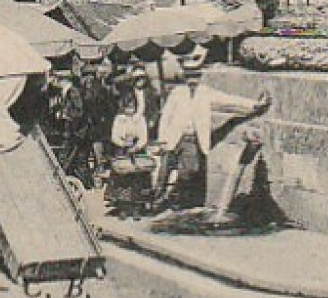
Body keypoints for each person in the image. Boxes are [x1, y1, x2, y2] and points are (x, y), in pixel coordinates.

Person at [154, 56, 268, 210]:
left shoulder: (205, 93)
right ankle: (156, 200)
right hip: (174, 137)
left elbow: (228, 101)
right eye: (189, 76)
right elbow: (166, 116)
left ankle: (178, 199)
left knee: (189, 171)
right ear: (184, 77)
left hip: (192, 139)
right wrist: (162, 139)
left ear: (200, 77)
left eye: (195, 76)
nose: (192, 81)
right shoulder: (177, 93)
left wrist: (254, 105)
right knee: (164, 170)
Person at [110, 92, 149, 157]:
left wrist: (136, 147)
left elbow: (144, 138)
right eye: (127, 107)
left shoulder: (140, 119)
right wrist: (123, 144)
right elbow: (114, 137)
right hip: (122, 148)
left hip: (138, 149)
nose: (129, 110)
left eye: (132, 107)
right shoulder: (119, 119)